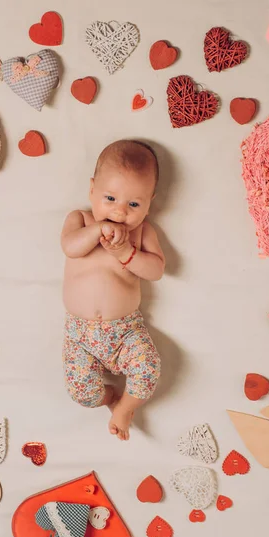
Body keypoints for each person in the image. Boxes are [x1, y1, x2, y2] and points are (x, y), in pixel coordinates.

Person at [60, 140, 165, 441]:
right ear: (92, 190)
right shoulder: (80, 220)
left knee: (149, 369)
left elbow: (156, 270)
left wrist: (127, 254)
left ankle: (127, 406)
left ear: (150, 202)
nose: (120, 213)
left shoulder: (142, 232)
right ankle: (109, 399)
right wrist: (95, 231)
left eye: (134, 205)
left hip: (126, 331)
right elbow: (69, 246)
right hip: (80, 335)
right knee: (81, 393)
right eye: (110, 198)